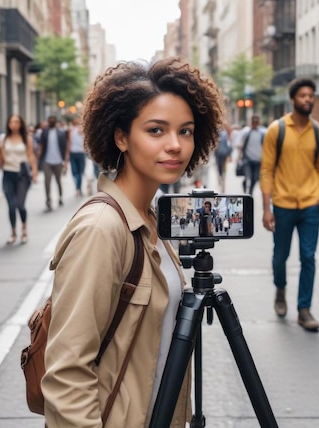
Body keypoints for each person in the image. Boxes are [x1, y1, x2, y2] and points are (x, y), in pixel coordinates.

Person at [42, 57, 224, 426]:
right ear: (121, 137)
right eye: (156, 130)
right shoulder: (101, 229)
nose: (175, 145)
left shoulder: (149, 219)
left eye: (186, 131)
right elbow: (66, 374)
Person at [260, 78, 319, 332]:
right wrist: (266, 208)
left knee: (308, 257)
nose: (308, 99)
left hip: (310, 204)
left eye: (311, 96)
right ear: (293, 99)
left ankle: (304, 309)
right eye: (303, 96)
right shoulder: (276, 131)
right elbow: (266, 170)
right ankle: (280, 289)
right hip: (283, 204)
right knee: (280, 257)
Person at [0, 114, 38, 245]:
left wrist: (34, 172)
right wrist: (0, 153)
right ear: (8, 124)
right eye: (12, 122)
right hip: (8, 174)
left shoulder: (26, 138)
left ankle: (24, 229)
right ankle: (13, 232)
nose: (14, 124)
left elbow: (31, 155)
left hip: (22, 175)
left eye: (17, 122)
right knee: (11, 205)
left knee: (20, 204)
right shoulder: (3, 138)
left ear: (21, 124)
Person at [37, 115, 69, 211]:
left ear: (55, 122)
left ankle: (60, 197)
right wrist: (39, 158)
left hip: (58, 161)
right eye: (50, 120)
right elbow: (41, 146)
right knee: (47, 182)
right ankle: (48, 200)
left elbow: (65, 147)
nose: (51, 122)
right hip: (47, 161)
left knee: (58, 181)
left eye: (53, 120)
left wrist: (65, 161)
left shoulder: (61, 133)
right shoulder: (45, 132)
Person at [239, 116, 265, 195]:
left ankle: (250, 191)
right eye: (254, 122)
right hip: (248, 160)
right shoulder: (246, 132)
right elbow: (241, 145)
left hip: (258, 160)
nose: (255, 124)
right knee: (248, 177)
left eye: (256, 122)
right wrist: (239, 157)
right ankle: (246, 186)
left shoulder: (262, 133)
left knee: (255, 178)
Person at [68, 116, 87, 197]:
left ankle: (78, 188)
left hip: (75, 153)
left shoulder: (72, 130)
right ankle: (78, 188)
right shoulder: (80, 130)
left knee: (75, 172)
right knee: (79, 172)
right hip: (79, 153)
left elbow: (69, 143)